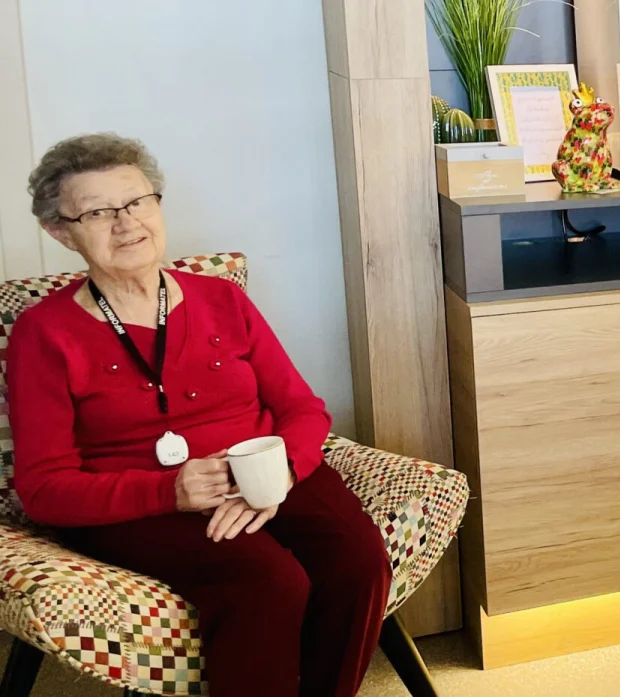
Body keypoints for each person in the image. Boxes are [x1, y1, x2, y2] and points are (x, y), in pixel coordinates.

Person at [7, 133, 392, 697]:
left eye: (137, 202)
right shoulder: (43, 334)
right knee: (268, 580)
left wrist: (276, 475)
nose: (126, 223)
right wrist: (170, 491)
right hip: (139, 500)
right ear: (60, 231)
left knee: (355, 559)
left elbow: (301, 409)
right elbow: (43, 488)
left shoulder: (221, 298)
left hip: (262, 464)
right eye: (97, 212)